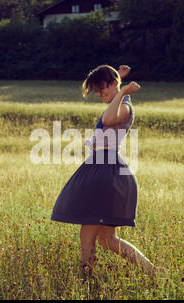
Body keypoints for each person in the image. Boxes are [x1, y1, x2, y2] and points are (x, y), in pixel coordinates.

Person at [51, 65, 162, 281]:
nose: (101, 95)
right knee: (107, 240)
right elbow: (109, 101)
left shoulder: (126, 107)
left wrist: (120, 90)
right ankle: (154, 272)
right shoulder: (116, 99)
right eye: (98, 91)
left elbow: (110, 120)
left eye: (104, 89)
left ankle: (84, 281)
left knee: (87, 233)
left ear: (115, 87)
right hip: (102, 168)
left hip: (106, 171)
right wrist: (117, 81)